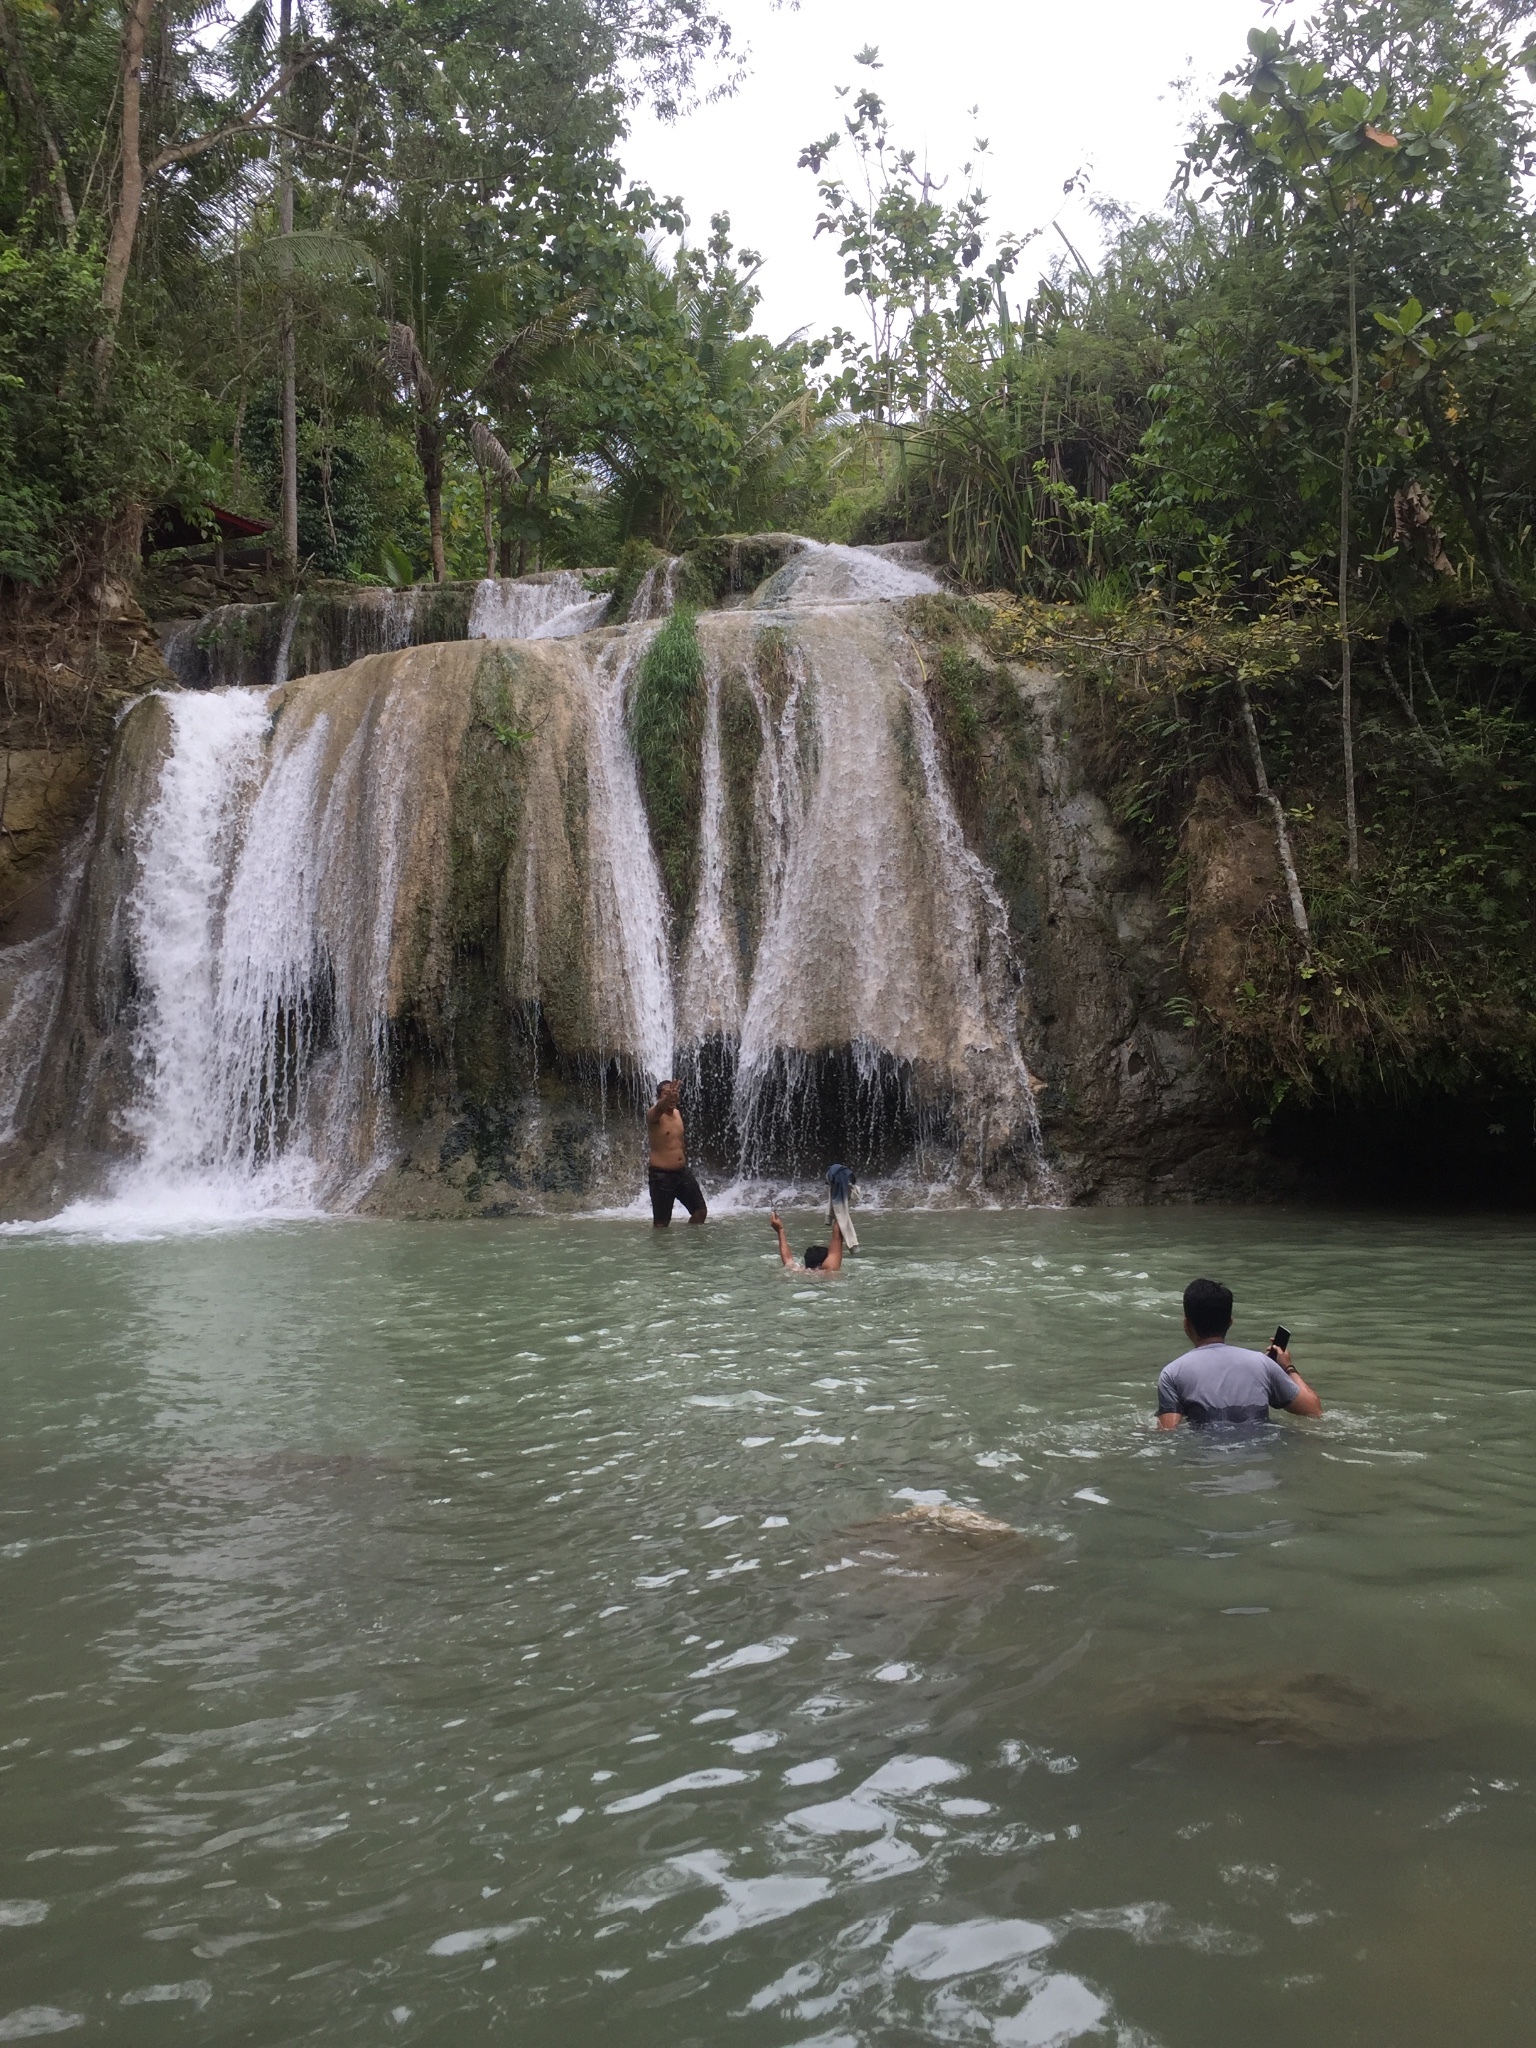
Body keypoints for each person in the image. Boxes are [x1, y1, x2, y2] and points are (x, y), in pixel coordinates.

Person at [1156, 1276, 1322, 1428]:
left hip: (1207, 1456)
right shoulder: (1263, 1364)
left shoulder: (1172, 1374)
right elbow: (1313, 1411)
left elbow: (1168, 1431)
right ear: (1230, 1322)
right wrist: (1287, 1368)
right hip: (1261, 1451)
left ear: (1186, 1324)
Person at [645, 1079, 707, 1228]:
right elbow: (659, 1108)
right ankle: (661, 1250)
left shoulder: (677, 1114)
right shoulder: (653, 1115)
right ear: (659, 1097)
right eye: (667, 1094)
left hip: (682, 1173)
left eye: (675, 1094)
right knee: (661, 1224)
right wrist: (666, 1100)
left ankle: (691, 1245)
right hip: (661, 1176)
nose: (672, 1097)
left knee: (700, 1212)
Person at [768, 1210, 845, 1274]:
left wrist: (780, 1229)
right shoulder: (828, 1271)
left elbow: (788, 1259)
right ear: (825, 1262)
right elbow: (837, 1237)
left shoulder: (799, 1272)